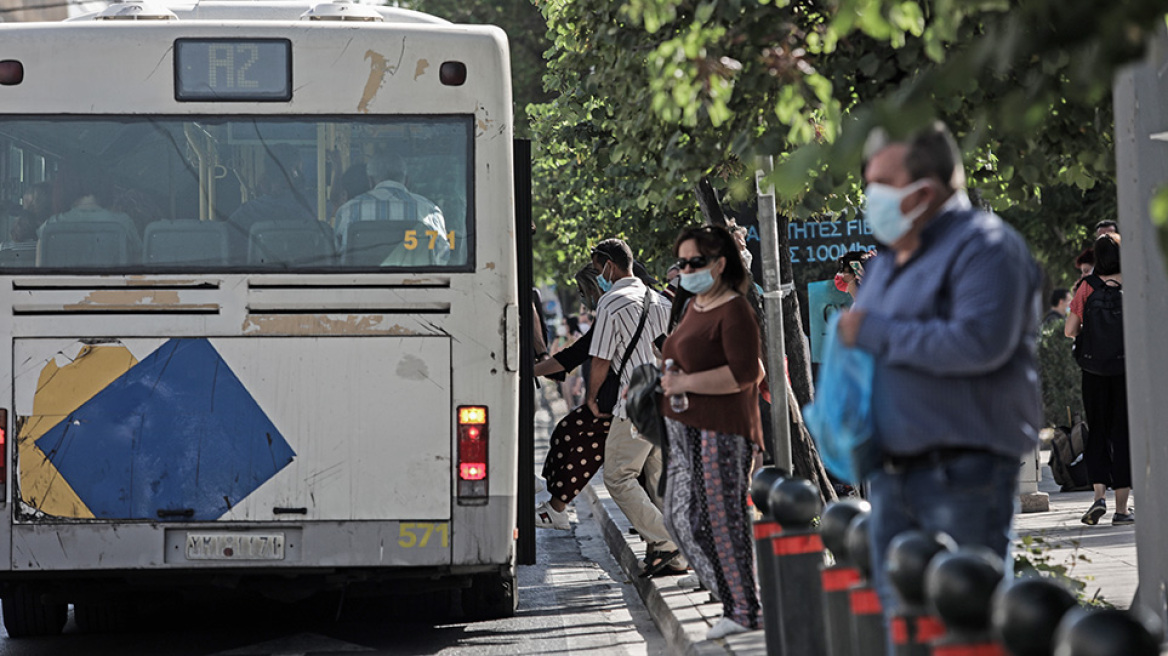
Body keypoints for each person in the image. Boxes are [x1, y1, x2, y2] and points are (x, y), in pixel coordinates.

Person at [837, 122, 1042, 653]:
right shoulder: (888, 259)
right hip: (891, 474)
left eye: (880, 182)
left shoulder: (986, 246)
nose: (869, 195)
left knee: (964, 628)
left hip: (962, 472)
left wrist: (874, 333)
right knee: (907, 632)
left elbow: (978, 343)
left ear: (924, 189)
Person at [659, 224, 763, 640]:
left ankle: (744, 609)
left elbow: (745, 374)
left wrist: (685, 384)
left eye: (695, 262)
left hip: (723, 429)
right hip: (687, 428)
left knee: (722, 519)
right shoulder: (695, 306)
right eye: (682, 263)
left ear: (720, 265)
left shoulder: (734, 309)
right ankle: (738, 601)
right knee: (683, 517)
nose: (686, 269)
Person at [586, 238, 686, 578]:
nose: (598, 275)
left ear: (609, 265)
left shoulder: (611, 303)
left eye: (599, 268)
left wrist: (591, 395)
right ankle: (675, 558)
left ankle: (670, 541)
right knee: (658, 480)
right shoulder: (659, 300)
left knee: (617, 475)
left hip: (634, 404)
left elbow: (600, 358)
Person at [533, 265, 608, 530]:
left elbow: (583, 353)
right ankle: (554, 505)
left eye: (581, 291)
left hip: (613, 401)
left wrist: (531, 370)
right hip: (614, 398)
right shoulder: (615, 307)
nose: (581, 298)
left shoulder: (614, 307)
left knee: (575, 439)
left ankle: (556, 508)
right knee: (567, 432)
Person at [1065, 233, 1132, 525]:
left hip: (1093, 371)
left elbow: (1069, 330)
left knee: (1098, 431)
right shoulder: (1131, 284)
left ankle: (1098, 498)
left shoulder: (1086, 287)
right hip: (1125, 369)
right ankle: (1121, 509)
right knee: (1123, 434)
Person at [333, 152, 450, 264]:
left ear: (370, 180)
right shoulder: (429, 210)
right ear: (407, 180)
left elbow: (337, 256)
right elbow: (443, 257)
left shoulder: (349, 211)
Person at [227, 145, 316, 260]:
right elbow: (336, 210)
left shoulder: (248, 211)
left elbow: (226, 238)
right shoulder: (314, 203)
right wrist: (337, 169)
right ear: (295, 172)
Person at [39, 167, 143, 256]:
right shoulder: (123, 223)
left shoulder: (50, 226)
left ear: (63, 186)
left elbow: (40, 273)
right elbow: (139, 266)